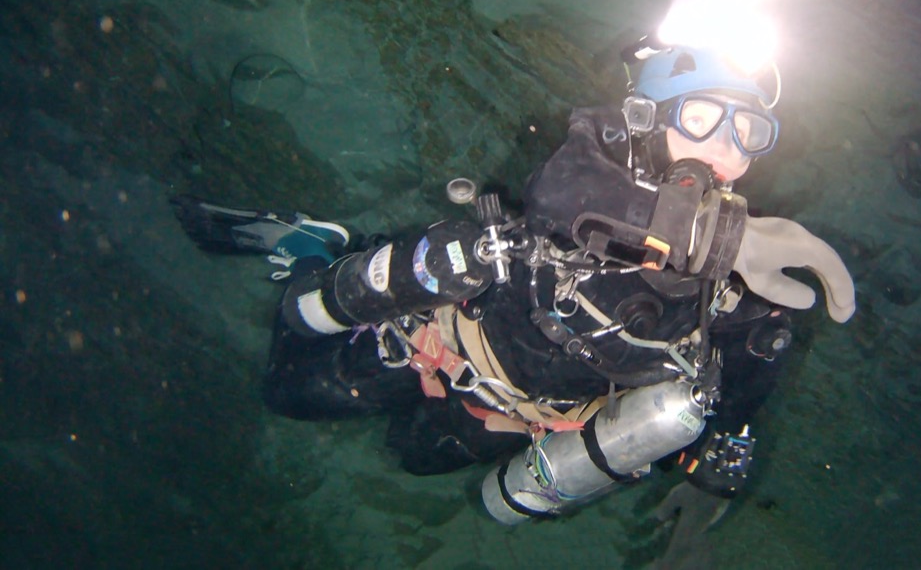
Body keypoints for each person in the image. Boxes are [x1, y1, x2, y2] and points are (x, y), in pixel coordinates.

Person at [171, 39, 855, 534]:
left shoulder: (748, 290)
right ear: (651, 117)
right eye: (700, 119)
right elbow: (564, 190)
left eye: (749, 132)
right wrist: (720, 238)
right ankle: (324, 258)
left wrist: (712, 485)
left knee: (408, 456)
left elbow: (739, 401)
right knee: (287, 394)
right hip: (436, 339)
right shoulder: (594, 166)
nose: (722, 147)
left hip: (512, 421)